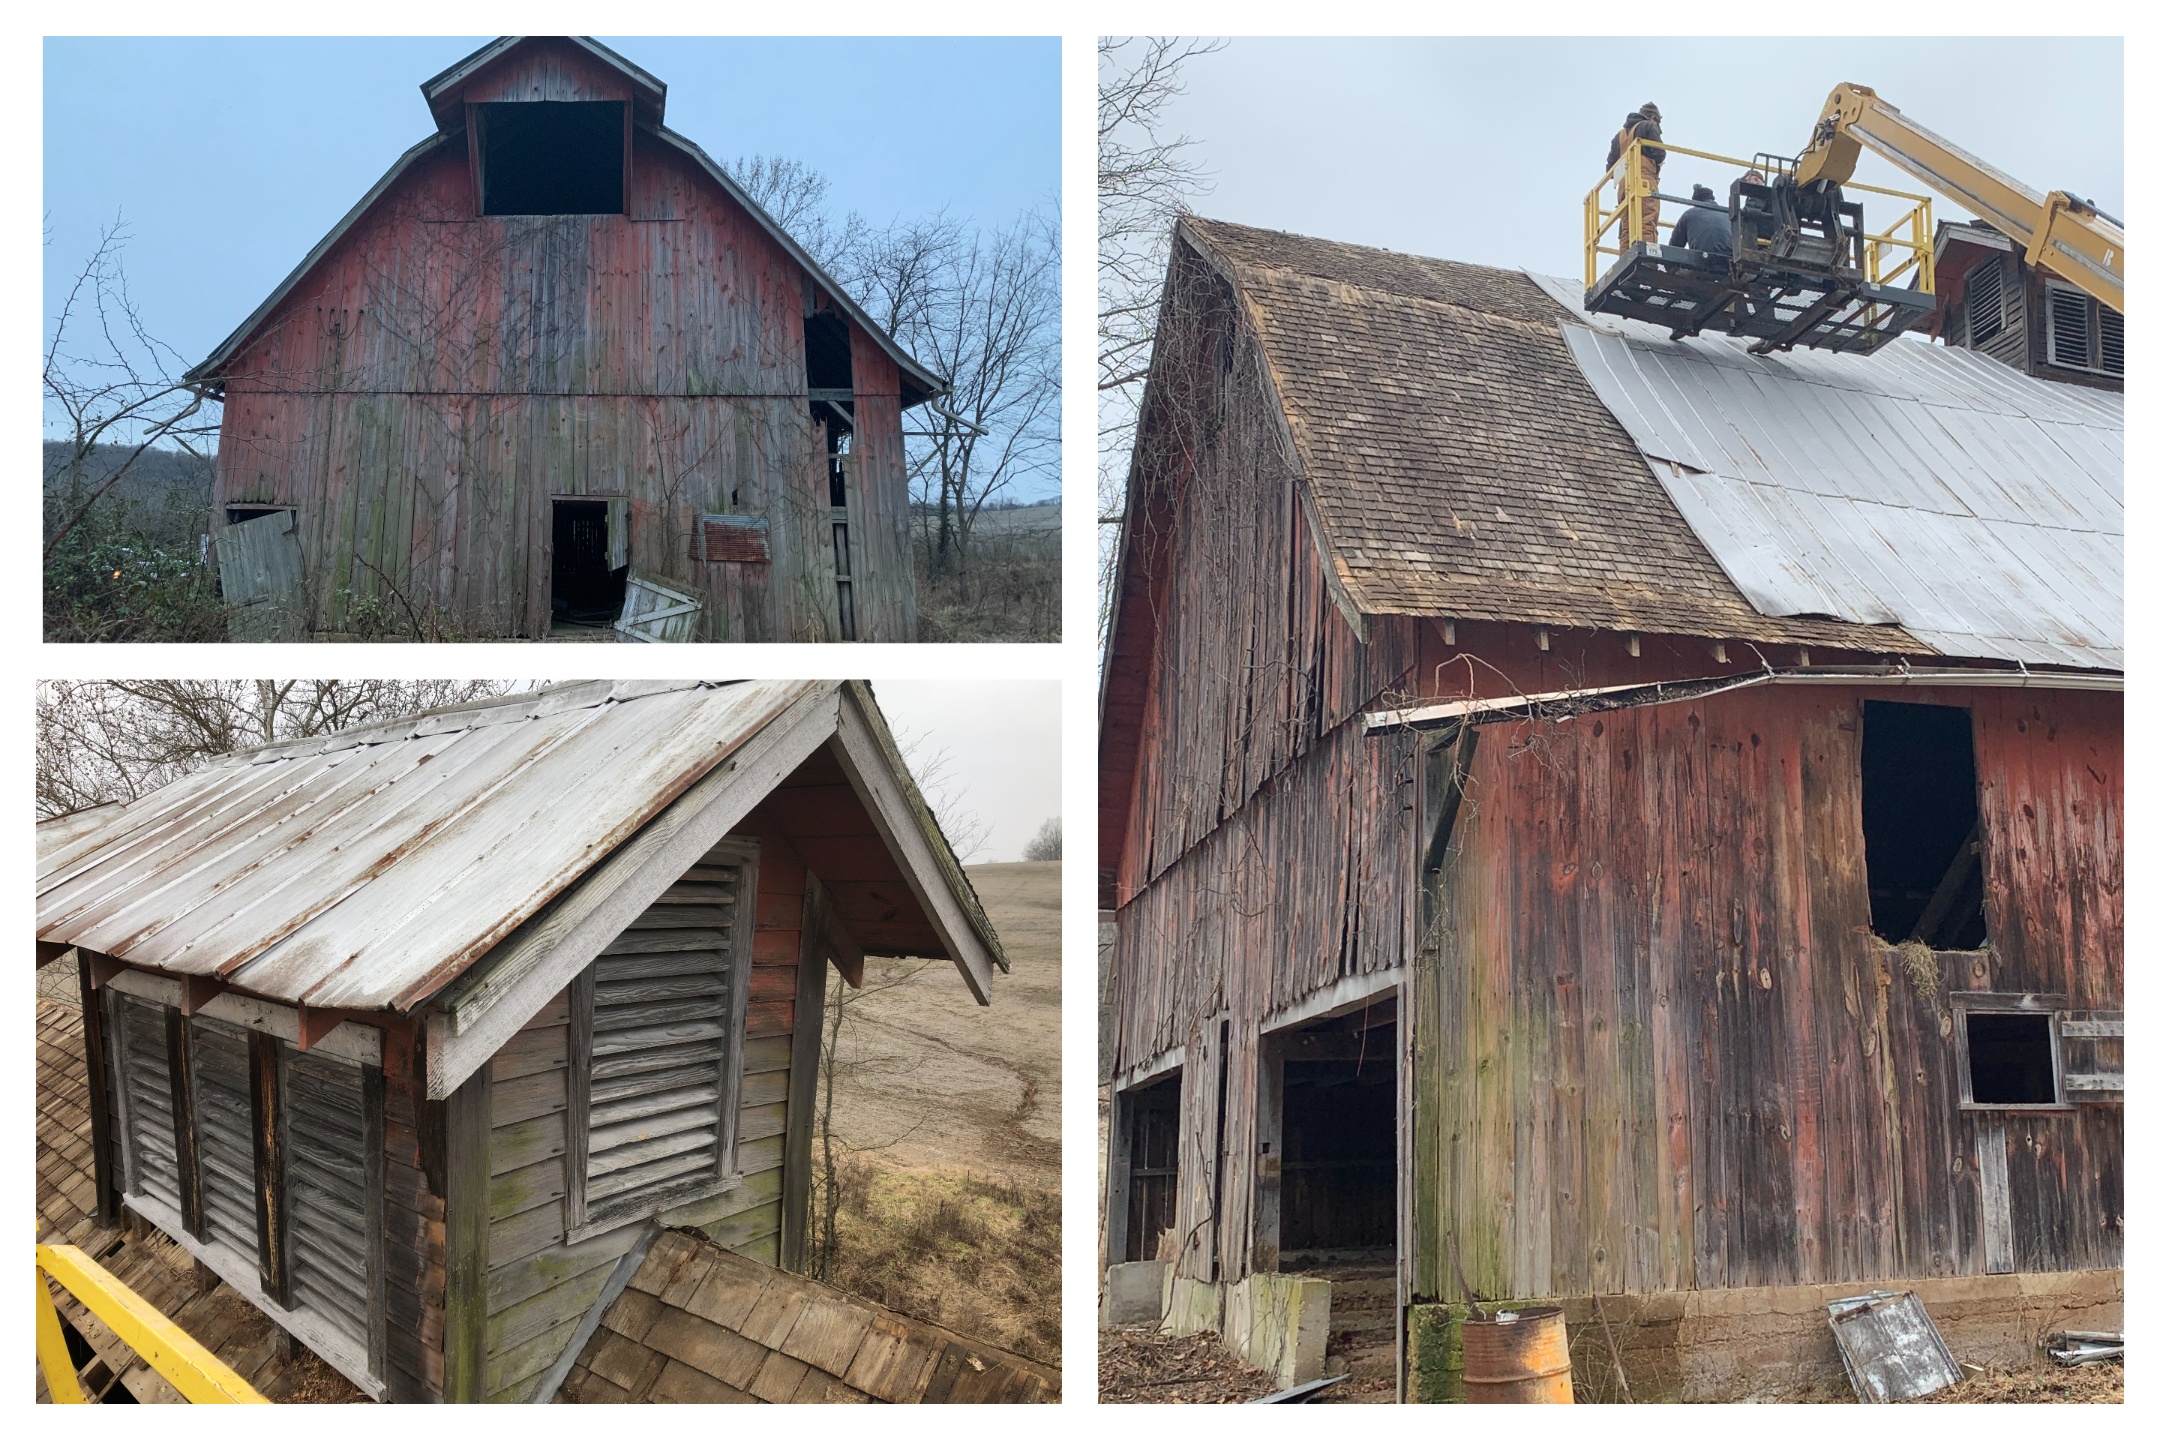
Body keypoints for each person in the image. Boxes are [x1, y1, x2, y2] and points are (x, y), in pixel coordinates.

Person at [1607, 102, 1665, 246]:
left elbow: (1610, 170)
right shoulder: (1648, 126)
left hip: (1623, 188)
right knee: (1646, 218)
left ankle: (1626, 260)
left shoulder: (1618, 137)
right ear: (1653, 118)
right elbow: (1660, 153)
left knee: (1627, 226)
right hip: (1643, 181)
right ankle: (1648, 260)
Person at [1670, 183, 1733, 258]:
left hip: (1701, 260)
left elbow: (1674, 246)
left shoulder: (1689, 214)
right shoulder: (1727, 214)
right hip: (1728, 260)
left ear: (1696, 201)